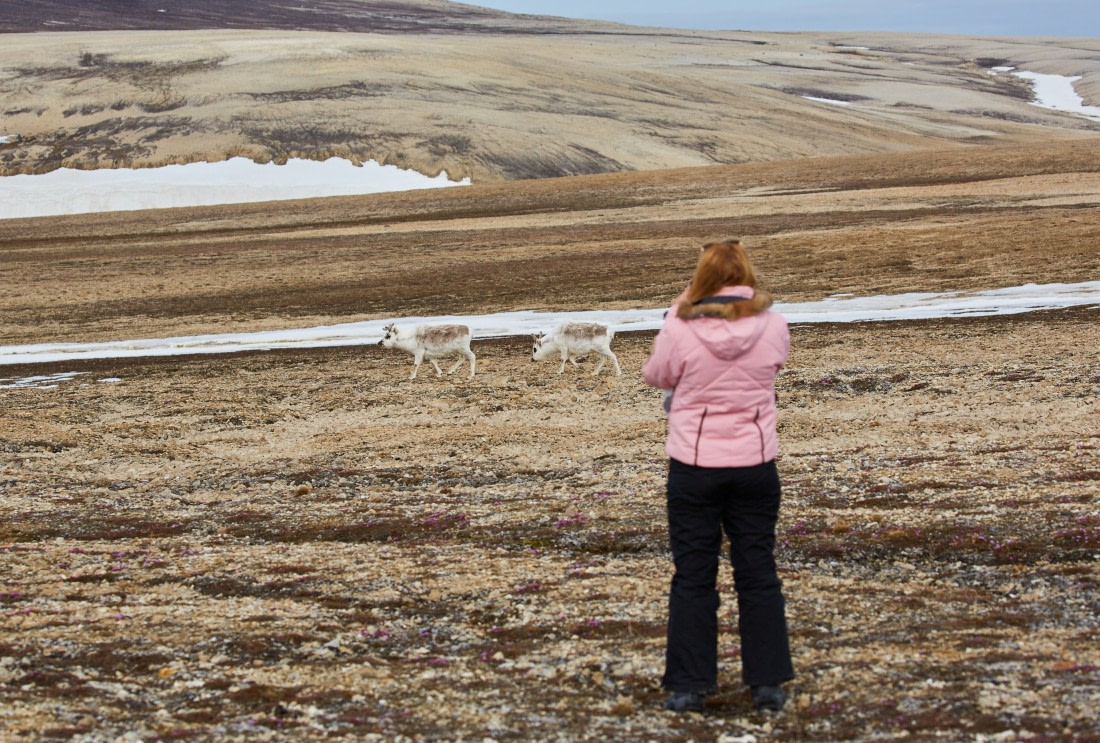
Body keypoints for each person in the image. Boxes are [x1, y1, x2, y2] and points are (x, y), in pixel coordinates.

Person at [642, 239, 794, 714]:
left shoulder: (680, 328)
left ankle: (689, 688)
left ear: (701, 279)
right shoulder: (773, 324)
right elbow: (777, 362)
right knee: (758, 572)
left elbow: (656, 375)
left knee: (693, 575)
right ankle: (767, 685)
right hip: (755, 464)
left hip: (695, 467)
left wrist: (680, 308)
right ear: (747, 275)